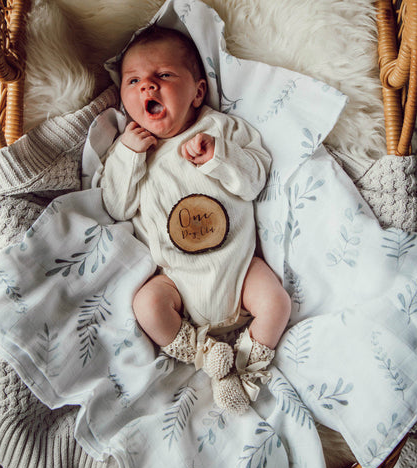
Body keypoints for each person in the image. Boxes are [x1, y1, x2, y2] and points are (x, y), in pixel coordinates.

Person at [101, 26, 291, 414]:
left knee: (277, 304)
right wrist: (126, 154)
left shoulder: (221, 129)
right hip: (178, 285)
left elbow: (255, 179)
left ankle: (247, 369)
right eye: (133, 80)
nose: (147, 87)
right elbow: (116, 207)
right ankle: (205, 353)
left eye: (164, 75)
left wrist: (219, 156)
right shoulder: (132, 149)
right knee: (147, 305)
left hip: (239, 271)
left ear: (198, 91)